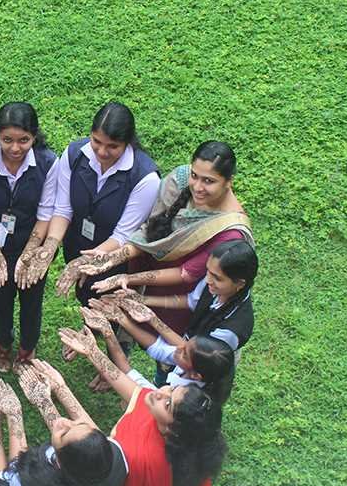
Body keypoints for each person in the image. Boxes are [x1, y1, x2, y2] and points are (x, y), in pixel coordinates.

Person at [59, 326, 227, 486]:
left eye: (168, 403)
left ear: (173, 431)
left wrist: (59, 388)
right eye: (172, 390)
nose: (161, 392)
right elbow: (130, 387)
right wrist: (93, 351)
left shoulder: (142, 460)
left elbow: (95, 446)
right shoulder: (174, 425)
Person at [81, 141, 253, 338]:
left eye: (208, 181)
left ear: (228, 182)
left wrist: (127, 279)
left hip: (179, 297)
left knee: (169, 347)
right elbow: (150, 232)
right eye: (195, 176)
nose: (197, 187)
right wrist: (113, 258)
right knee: (128, 320)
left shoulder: (229, 231)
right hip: (149, 272)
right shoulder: (179, 181)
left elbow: (185, 273)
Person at [15, 102, 160, 309]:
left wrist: (86, 262)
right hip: (79, 244)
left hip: (115, 258)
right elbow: (63, 209)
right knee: (85, 298)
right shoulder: (75, 154)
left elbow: (123, 234)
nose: (102, 152)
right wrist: (49, 246)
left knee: (111, 307)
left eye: (112, 146)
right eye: (96, 141)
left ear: (127, 143)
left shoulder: (145, 178)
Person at [0, 102, 59, 370]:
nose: (15, 148)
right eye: (7, 140)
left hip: (34, 241)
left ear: (34, 137)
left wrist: (30, 253)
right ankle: (3, 343)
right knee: (0, 298)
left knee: (32, 300)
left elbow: (46, 214)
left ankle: (27, 348)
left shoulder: (49, 163)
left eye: (24, 140)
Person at [3, 361, 129, 486]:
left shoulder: (28, 485)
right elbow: (87, 438)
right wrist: (59, 388)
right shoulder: (115, 460)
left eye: (64, 433)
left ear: (59, 462)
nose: (64, 421)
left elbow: (17, 463)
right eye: (77, 423)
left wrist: (14, 414)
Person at [80, 305, 236, 404]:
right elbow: (158, 348)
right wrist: (122, 319)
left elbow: (128, 372)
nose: (178, 348)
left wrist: (106, 333)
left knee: (128, 402)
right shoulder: (196, 367)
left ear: (195, 375)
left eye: (184, 353)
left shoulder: (172, 400)